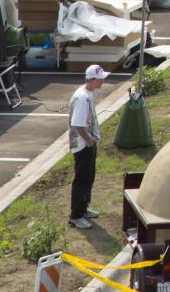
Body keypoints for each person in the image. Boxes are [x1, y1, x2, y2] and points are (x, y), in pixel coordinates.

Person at [67, 64, 108, 229]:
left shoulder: (88, 94)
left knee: (88, 177)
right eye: (100, 79)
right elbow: (77, 124)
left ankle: (83, 208)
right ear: (91, 80)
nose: (102, 82)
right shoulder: (83, 98)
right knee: (82, 179)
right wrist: (88, 140)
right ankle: (76, 215)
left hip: (87, 143)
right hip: (83, 145)